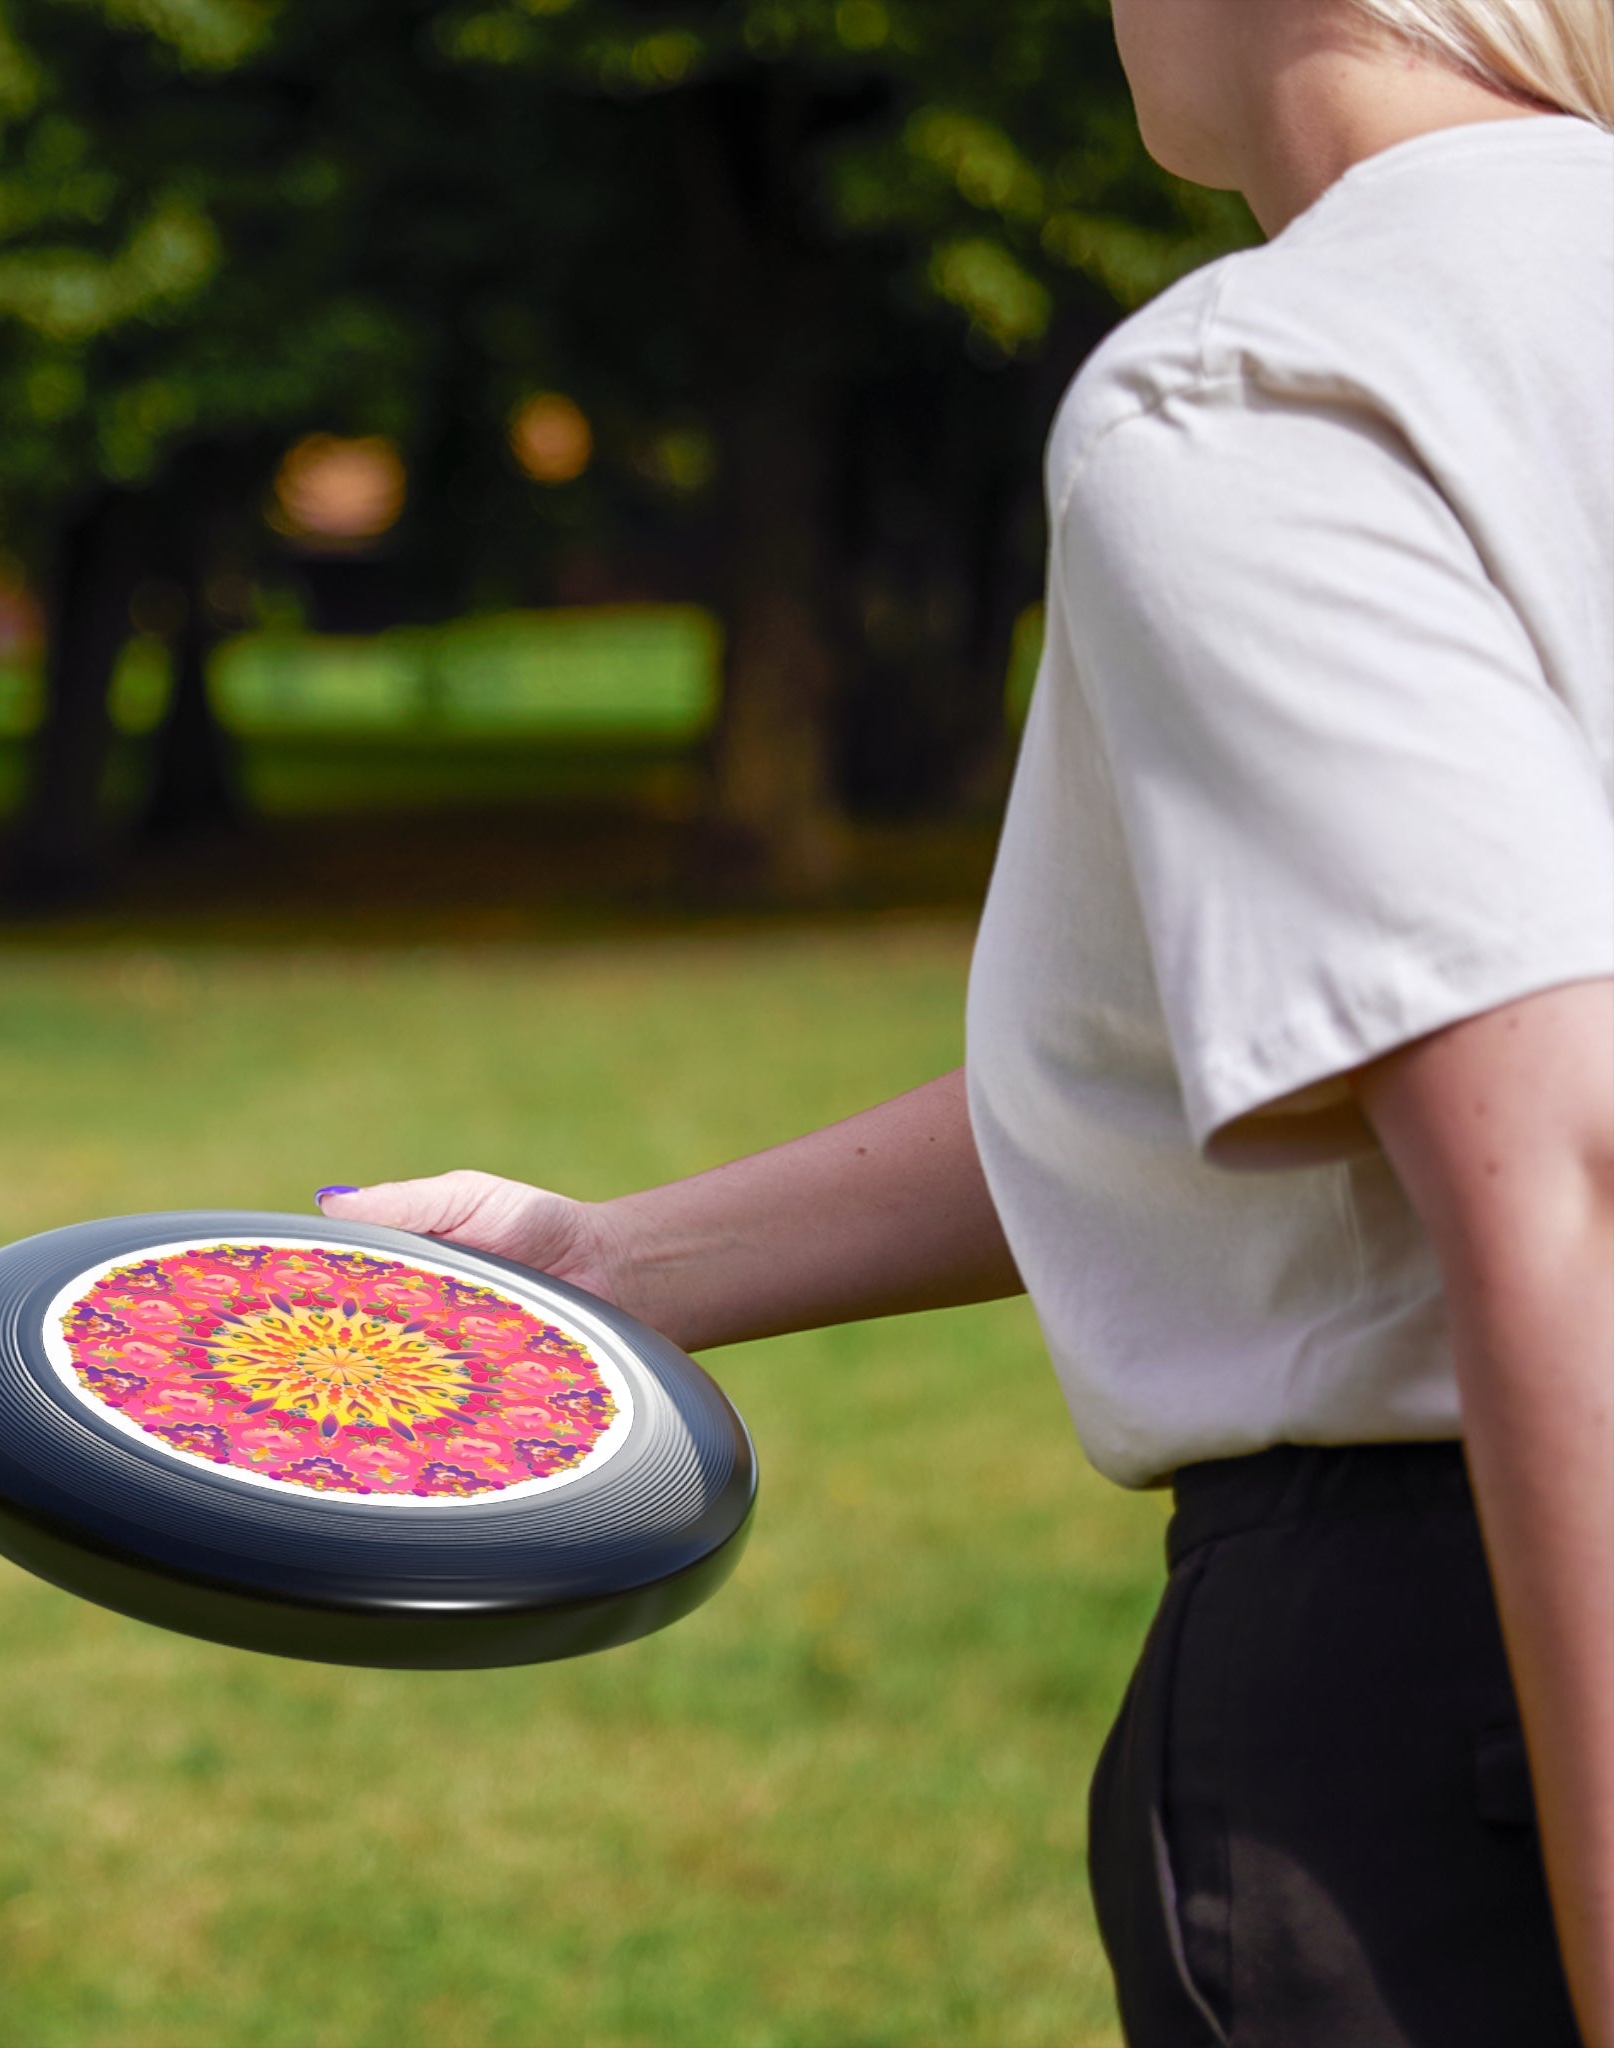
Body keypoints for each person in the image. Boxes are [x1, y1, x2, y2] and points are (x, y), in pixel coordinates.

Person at [314, 2, 1614, 2041]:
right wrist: (612, 1263)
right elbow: (1300, 1047)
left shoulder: (1271, 383)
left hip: (1468, 1687)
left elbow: (1564, 1165)